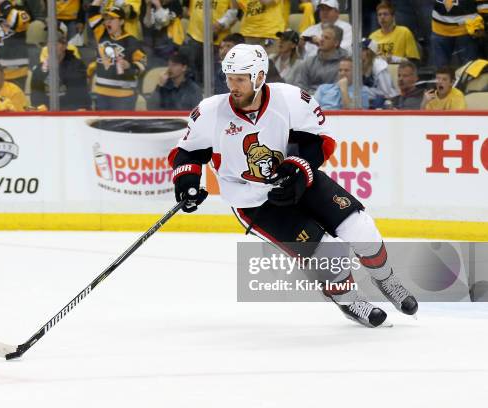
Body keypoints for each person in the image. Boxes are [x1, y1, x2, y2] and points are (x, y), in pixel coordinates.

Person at [168, 43, 418, 328]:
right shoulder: (210, 112)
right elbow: (187, 152)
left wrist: (299, 169)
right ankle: (349, 299)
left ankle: (387, 280)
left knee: (361, 228)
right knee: (328, 256)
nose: (232, 86)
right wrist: (187, 180)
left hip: (299, 179)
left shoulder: (290, 99)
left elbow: (320, 141)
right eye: (229, 78)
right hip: (253, 200)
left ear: (259, 77)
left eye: (240, 78)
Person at [87, 3, 147, 110]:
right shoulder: (101, 33)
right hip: (101, 94)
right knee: (101, 126)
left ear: (121, 21)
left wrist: (129, 66)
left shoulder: (132, 41)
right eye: (106, 19)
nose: (107, 22)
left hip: (124, 96)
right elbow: (92, 11)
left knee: (121, 126)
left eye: (112, 19)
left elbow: (143, 64)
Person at [30, 30, 91, 110]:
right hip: (48, 115)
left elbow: (77, 96)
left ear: (64, 46)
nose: (51, 47)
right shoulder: (39, 69)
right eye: (49, 43)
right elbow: (36, 96)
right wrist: (45, 109)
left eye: (55, 43)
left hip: (71, 114)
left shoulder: (77, 66)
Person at [296, 23, 347, 93]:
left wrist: (319, 98)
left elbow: (337, 90)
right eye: (322, 36)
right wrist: (309, 101)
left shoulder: (344, 64)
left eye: (326, 38)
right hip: (309, 101)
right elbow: (300, 88)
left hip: (332, 102)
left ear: (336, 43)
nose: (322, 40)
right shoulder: (308, 62)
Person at [431, 0, 481, 67]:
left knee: (468, 69)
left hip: (467, 30)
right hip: (439, 28)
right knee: (441, 70)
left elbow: (483, 6)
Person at [143, 0, 185, 67]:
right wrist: (148, 6)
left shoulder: (175, 4)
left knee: (164, 67)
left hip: (170, 43)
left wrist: (158, 5)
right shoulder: (151, 4)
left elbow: (164, 22)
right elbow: (148, 24)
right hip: (152, 41)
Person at [361, 39, 398, 108]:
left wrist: (364, 91)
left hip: (388, 102)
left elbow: (386, 92)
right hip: (369, 101)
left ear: (369, 51)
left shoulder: (380, 66)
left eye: (362, 49)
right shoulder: (358, 65)